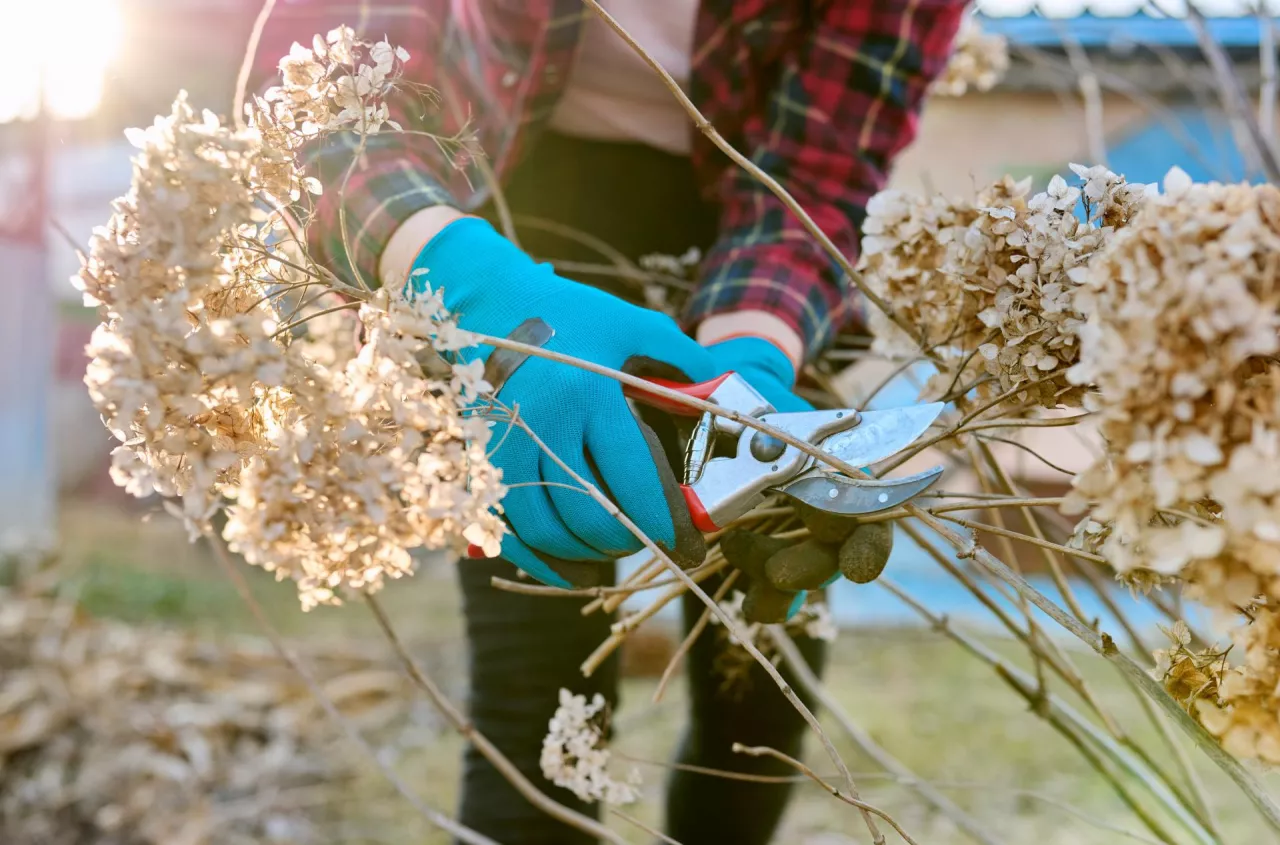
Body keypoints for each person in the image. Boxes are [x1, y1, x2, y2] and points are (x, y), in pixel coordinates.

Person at [251, 2, 965, 842]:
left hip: (754, 248)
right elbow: (329, 96)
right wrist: (475, 290)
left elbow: (819, 172)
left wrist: (753, 375)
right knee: (538, 690)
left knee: (760, 694)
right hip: (513, 219)